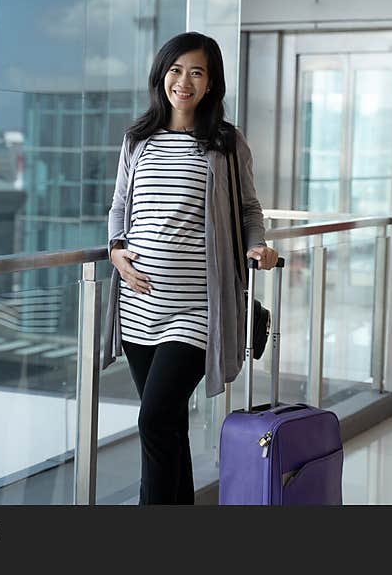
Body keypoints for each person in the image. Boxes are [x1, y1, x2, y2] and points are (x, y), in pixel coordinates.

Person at [101, 32, 278, 505]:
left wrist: (257, 247)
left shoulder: (224, 142)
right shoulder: (137, 139)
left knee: (154, 419)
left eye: (196, 72)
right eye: (176, 70)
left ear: (210, 82)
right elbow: (120, 207)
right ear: (162, 75)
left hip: (197, 308)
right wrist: (116, 248)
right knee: (168, 425)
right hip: (139, 307)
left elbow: (249, 211)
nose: (184, 81)